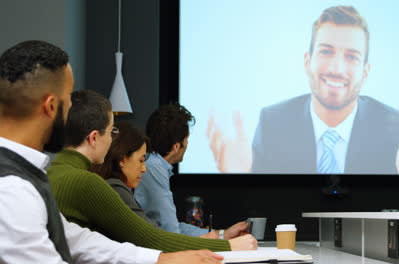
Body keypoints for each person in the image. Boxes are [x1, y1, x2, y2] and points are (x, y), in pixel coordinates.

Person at [0, 40, 223, 263]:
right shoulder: (13, 188)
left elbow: (78, 241)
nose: (70, 110)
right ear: (50, 106)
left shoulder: (28, 176)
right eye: (67, 99)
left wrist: (161, 260)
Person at [207, 5, 399, 174]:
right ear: (307, 61)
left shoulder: (397, 131)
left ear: (365, 72)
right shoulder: (273, 122)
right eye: (326, 51)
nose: (336, 68)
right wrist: (242, 175)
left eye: (352, 57)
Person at [48, 90, 257, 253]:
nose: (113, 139)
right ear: (94, 138)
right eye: (111, 131)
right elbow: (152, 239)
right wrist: (228, 246)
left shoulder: (50, 173)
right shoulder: (86, 183)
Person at [134, 103, 250, 239]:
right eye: (187, 139)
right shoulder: (154, 168)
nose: (188, 144)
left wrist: (222, 234)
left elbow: (173, 227)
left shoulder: (155, 164)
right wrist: (220, 239)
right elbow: (173, 234)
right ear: (176, 146)